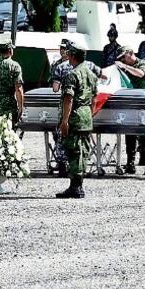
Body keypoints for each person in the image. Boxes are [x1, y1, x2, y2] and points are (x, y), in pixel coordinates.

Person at [56, 42, 97, 199]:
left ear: (72, 56)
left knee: (73, 150)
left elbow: (68, 98)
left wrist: (64, 120)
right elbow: (94, 98)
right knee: (83, 151)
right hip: (86, 115)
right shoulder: (91, 74)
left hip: (74, 116)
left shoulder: (71, 75)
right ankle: (77, 184)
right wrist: (89, 115)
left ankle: (75, 186)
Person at [116, 45, 145, 174]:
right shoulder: (126, 67)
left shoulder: (143, 63)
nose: (122, 60)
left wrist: (125, 67)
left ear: (130, 53)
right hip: (132, 103)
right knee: (130, 133)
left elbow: (141, 74)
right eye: (121, 59)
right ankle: (130, 163)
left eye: (123, 57)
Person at [0, 41, 24, 123]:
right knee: (10, 132)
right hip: (10, 105)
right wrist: (21, 108)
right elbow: (18, 89)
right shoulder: (15, 66)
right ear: (10, 50)